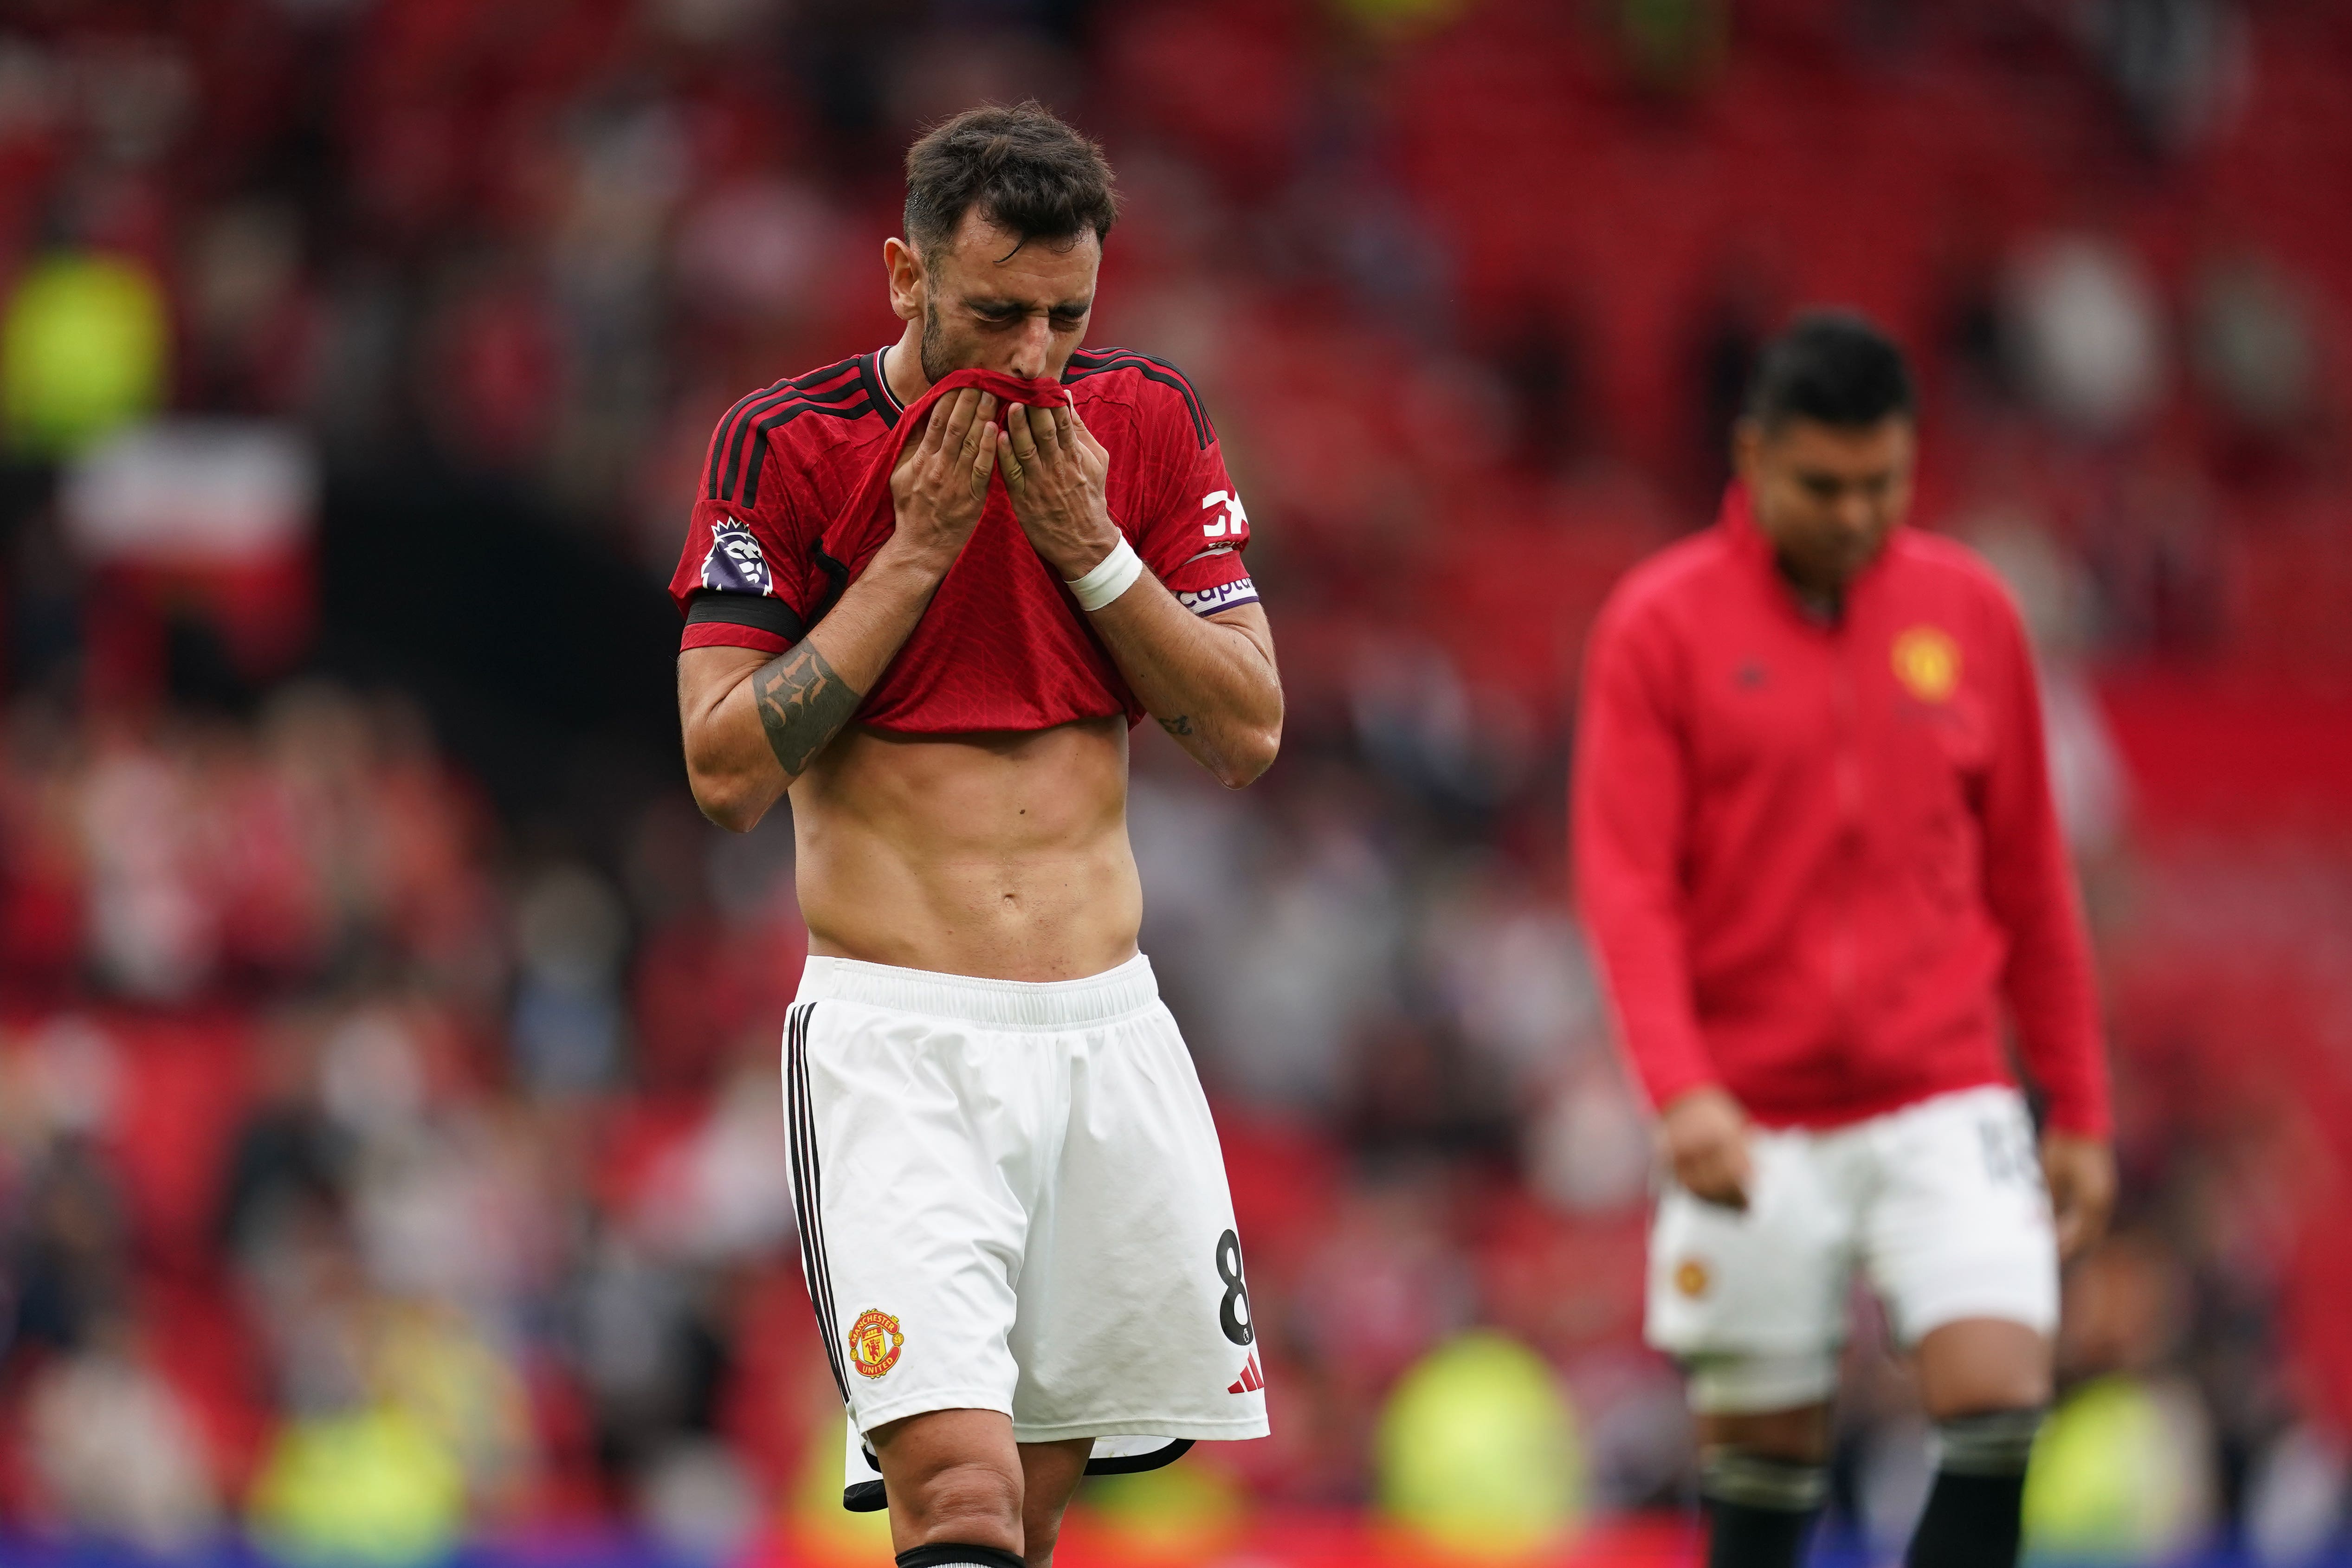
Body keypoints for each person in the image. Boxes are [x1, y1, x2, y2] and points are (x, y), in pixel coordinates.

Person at [669, 104, 1280, 1568]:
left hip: (1102, 1034)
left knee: (1035, 1516)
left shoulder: (1139, 426)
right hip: (899, 1041)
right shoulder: (789, 445)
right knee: (956, 1497)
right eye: (996, 312)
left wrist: (1092, 550)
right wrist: (915, 553)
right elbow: (725, 770)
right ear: (905, 275)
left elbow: (1247, 729)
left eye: (1066, 317)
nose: (1031, 358)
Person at [1572, 312, 2116, 1568]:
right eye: (1823, 486)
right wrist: (1682, 1091)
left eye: (1884, 484)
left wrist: (2078, 1102)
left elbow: (2031, 873)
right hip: (1748, 1115)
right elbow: (1626, 886)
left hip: (1942, 1086)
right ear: (1751, 456)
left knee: (1999, 1393)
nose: (1857, 515)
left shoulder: (1969, 612)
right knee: (1764, 1478)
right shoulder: (1658, 626)